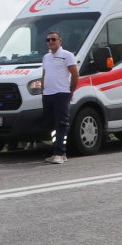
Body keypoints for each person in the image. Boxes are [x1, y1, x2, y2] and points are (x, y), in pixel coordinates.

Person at [42, 31, 79, 164]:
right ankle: (56, 150)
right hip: (48, 94)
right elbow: (44, 74)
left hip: (62, 93)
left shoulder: (67, 55)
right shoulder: (46, 57)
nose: (51, 42)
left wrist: (71, 91)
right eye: (48, 40)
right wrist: (43, 90)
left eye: (53, 39)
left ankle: (60, 152)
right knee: (51, 124)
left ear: (60, 41)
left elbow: (75, 74)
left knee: (62, 124)